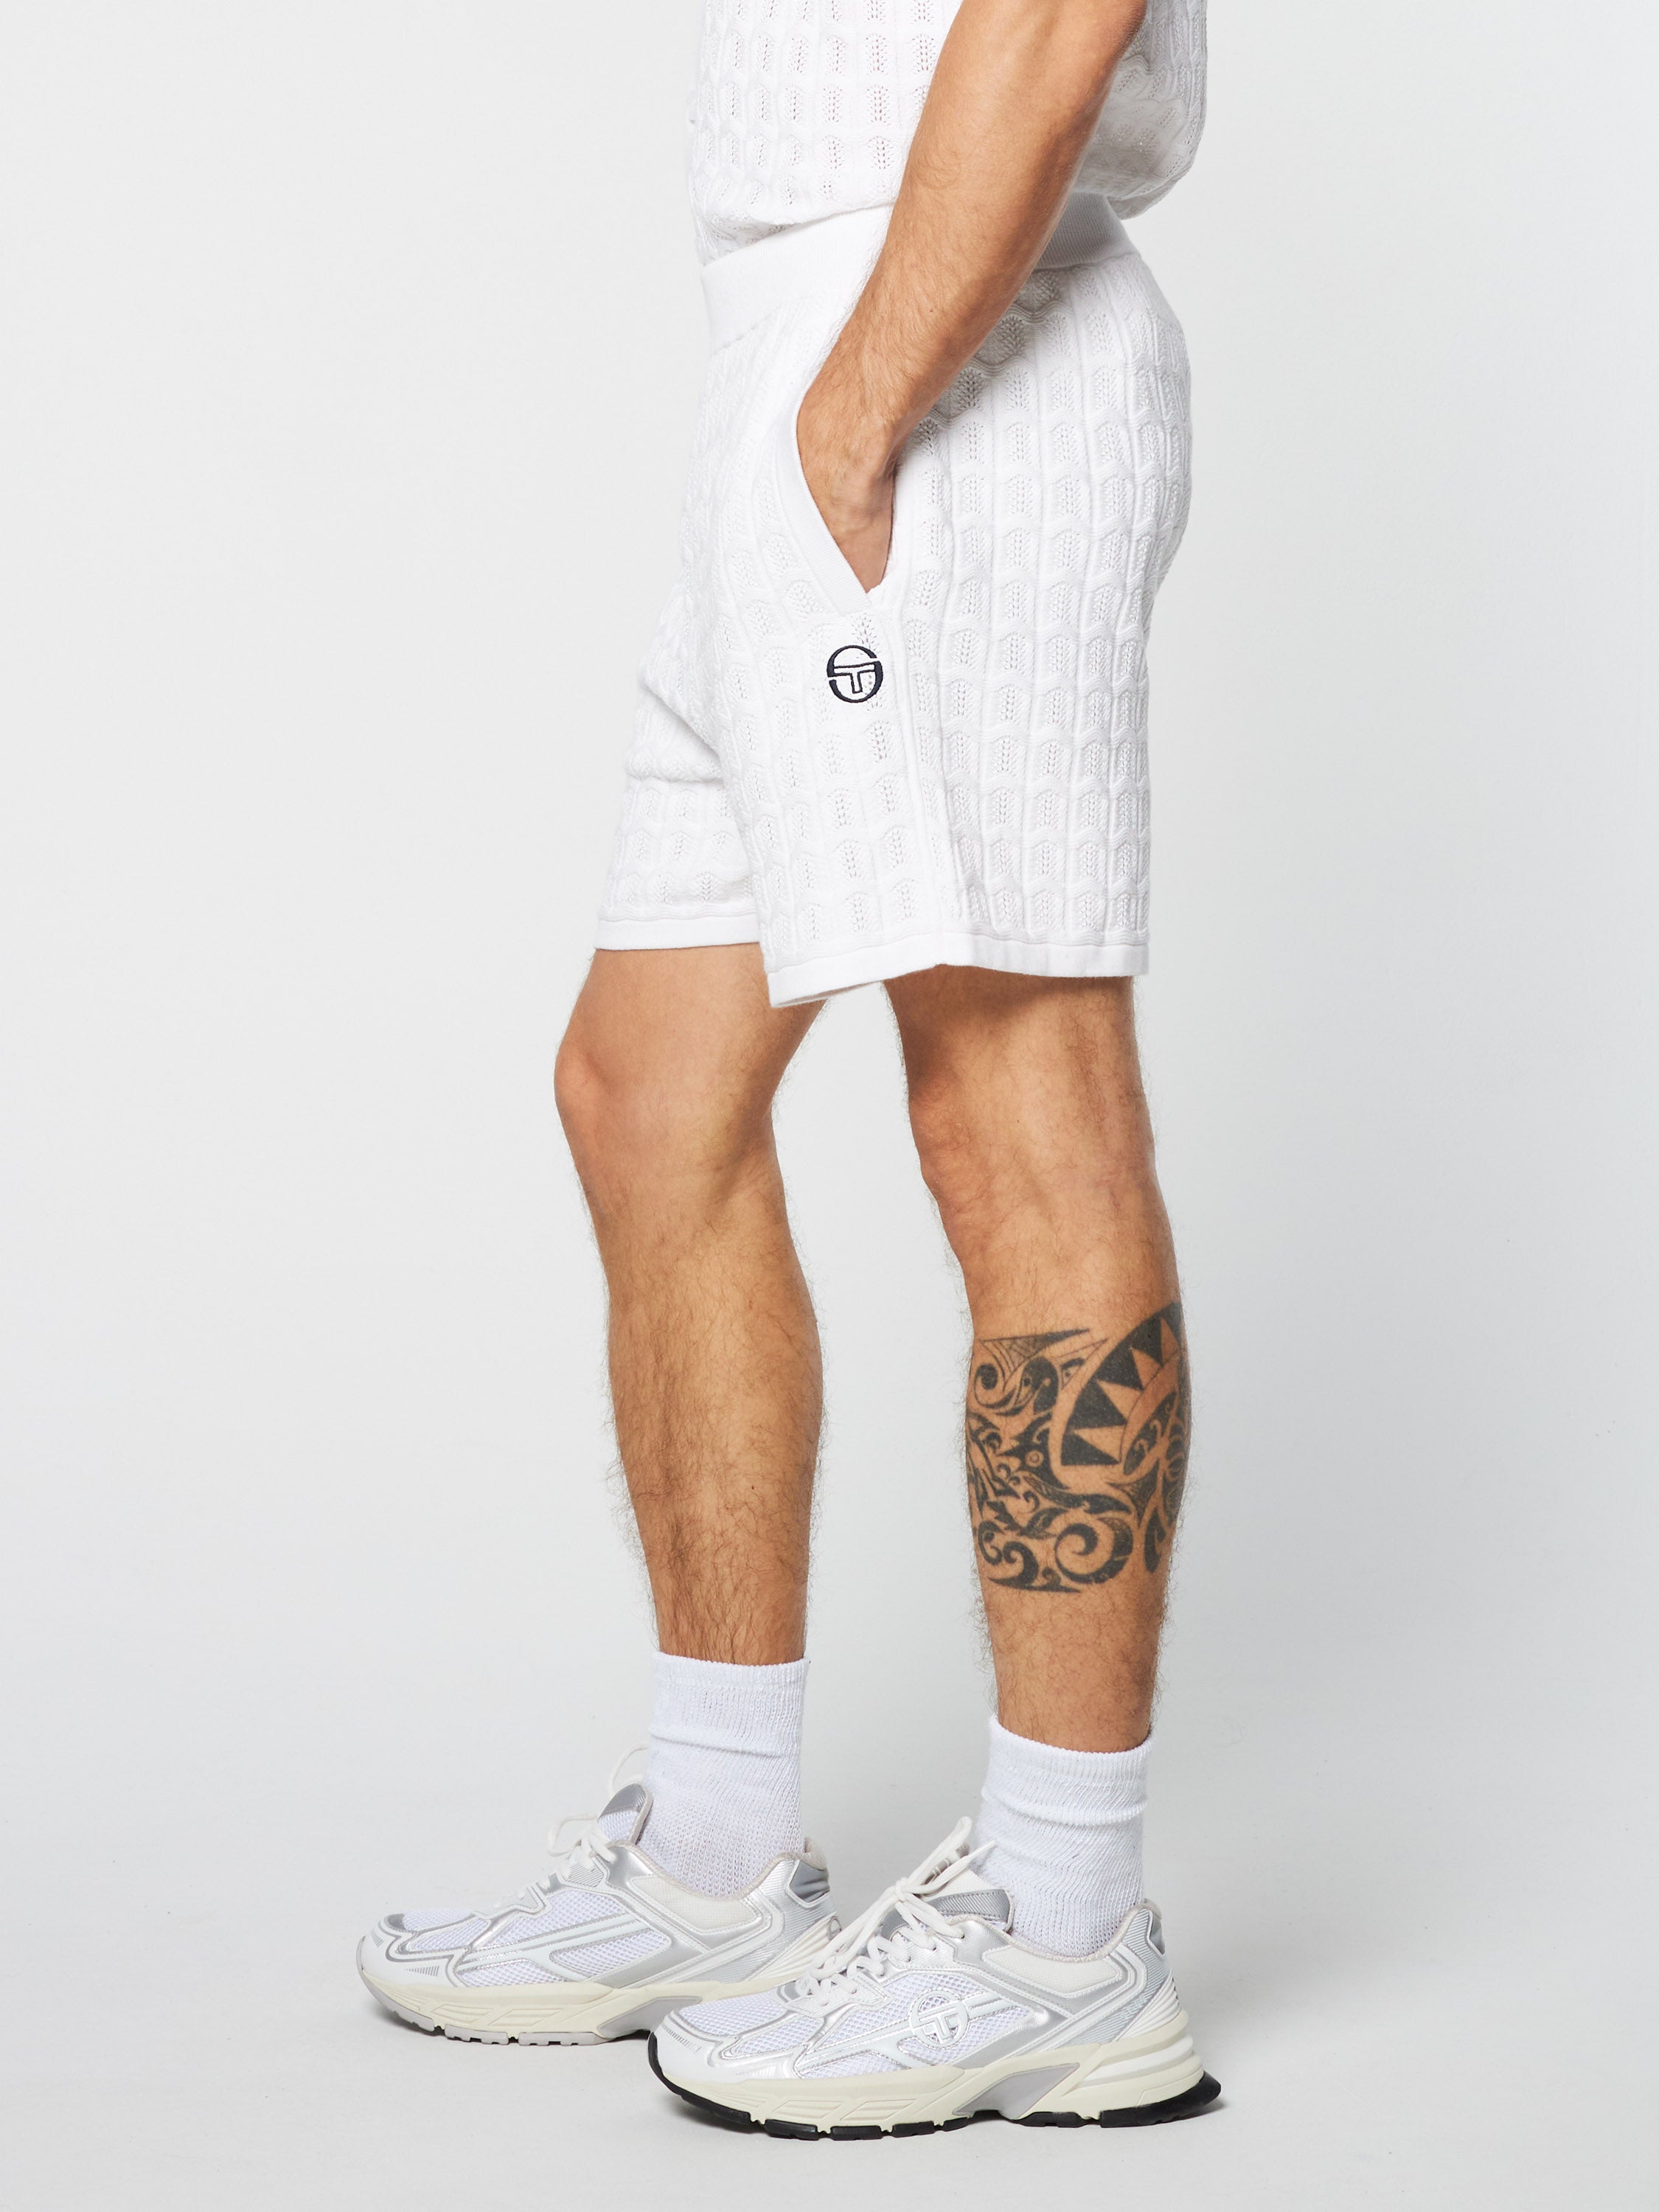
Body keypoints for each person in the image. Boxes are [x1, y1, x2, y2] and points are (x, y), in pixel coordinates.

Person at [359, 0, 1219, 2136]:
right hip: (810, 368)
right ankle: (716, 1857)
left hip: (944, 348)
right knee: (644, 1090)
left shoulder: (894, 385)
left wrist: (854, 421)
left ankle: (1061, 1934)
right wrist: (805, 432)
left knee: (1015, 1114)